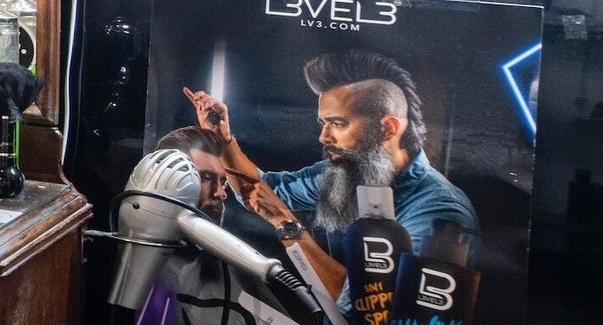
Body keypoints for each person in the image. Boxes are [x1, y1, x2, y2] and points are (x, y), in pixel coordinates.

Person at [179, 51, 475, 309]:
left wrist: (288, 225)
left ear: (387, 128)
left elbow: (372, 310)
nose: (324, 137)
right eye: (323, 123)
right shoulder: (346, 173)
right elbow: (260, 193)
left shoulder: (440, 212)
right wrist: (224, 140)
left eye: (338, 123)